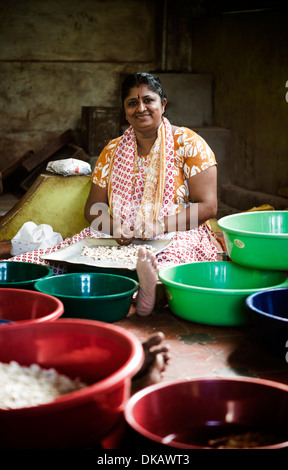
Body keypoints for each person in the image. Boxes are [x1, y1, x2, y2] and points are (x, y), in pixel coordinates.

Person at [3, 72, 219, 318]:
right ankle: (130, 284)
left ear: (163, 104)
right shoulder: (113, 150)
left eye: (148, 100)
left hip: (176, 233)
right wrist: (115, 228)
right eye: (132, 103)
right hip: (117, 236)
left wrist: (159, 225)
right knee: (42, 262)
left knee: (170, 264)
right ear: (124, 110)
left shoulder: (189, 143)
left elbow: (209, 207)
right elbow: (93, 210)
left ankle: (149, 290)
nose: (141, 108)